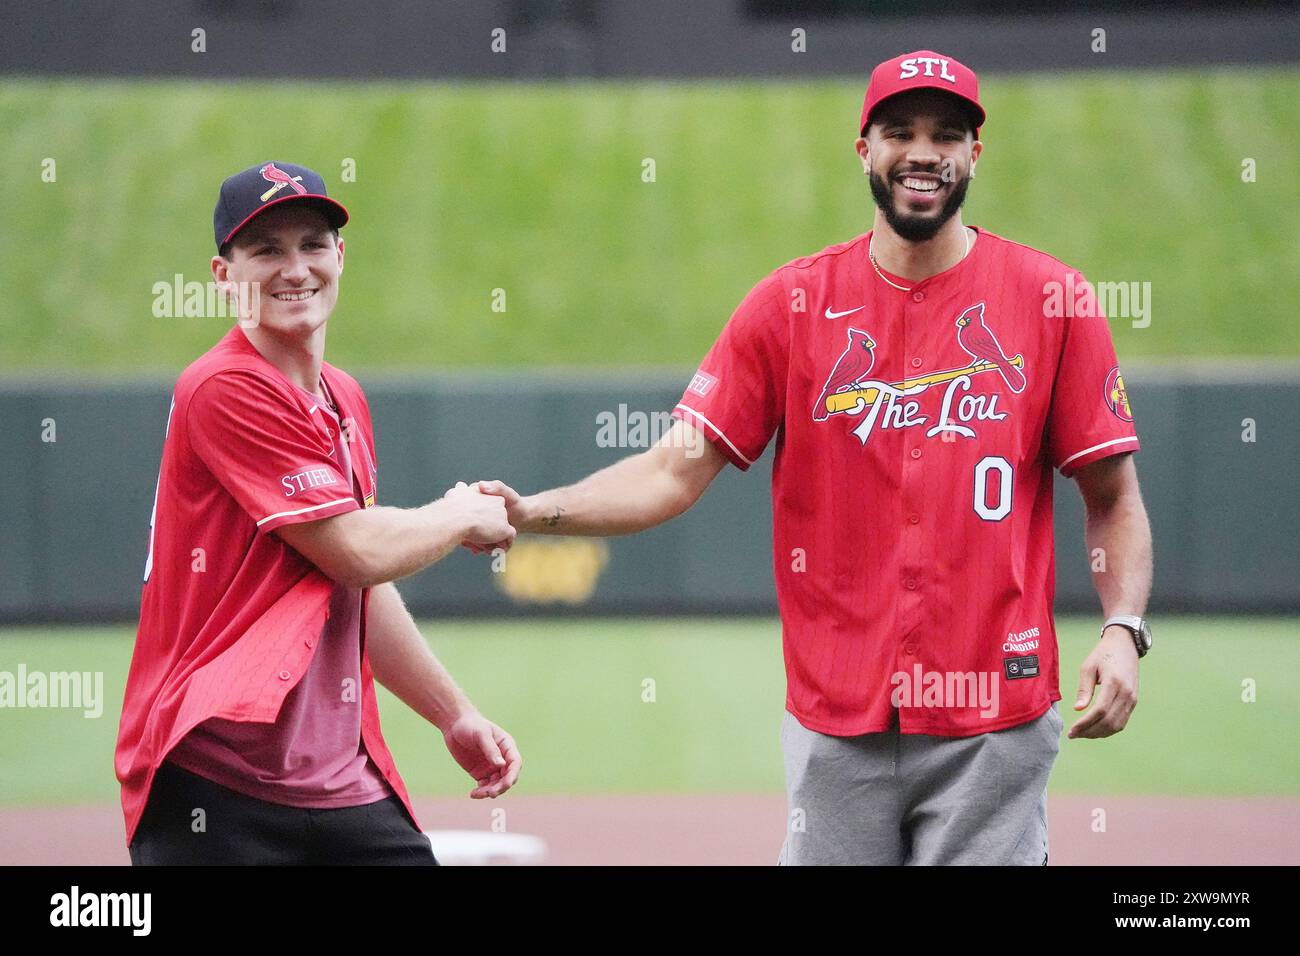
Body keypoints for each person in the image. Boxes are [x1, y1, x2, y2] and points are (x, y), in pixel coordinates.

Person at [475, 51, 1154, 865]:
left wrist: (1123, 629)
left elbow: (1111, 493)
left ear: (977, 152)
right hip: (839, 717)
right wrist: (532, 511)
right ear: (862, 149)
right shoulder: (789, 306)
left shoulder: (1054, 300)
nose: (923, 152)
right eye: (899, 131)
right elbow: (669, 470)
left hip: (994, 716)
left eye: (948, 133)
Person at [116, 161, 520, 865]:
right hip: (219, 785)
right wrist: (457, 516)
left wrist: (452, 714)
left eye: (312, 243)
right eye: (266, 249)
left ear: (342, 257)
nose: (294, 268)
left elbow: (352, 584)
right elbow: (354, 550)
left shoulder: (344, 397)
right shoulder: (222, 386)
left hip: (342, 786)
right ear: (223, 275)